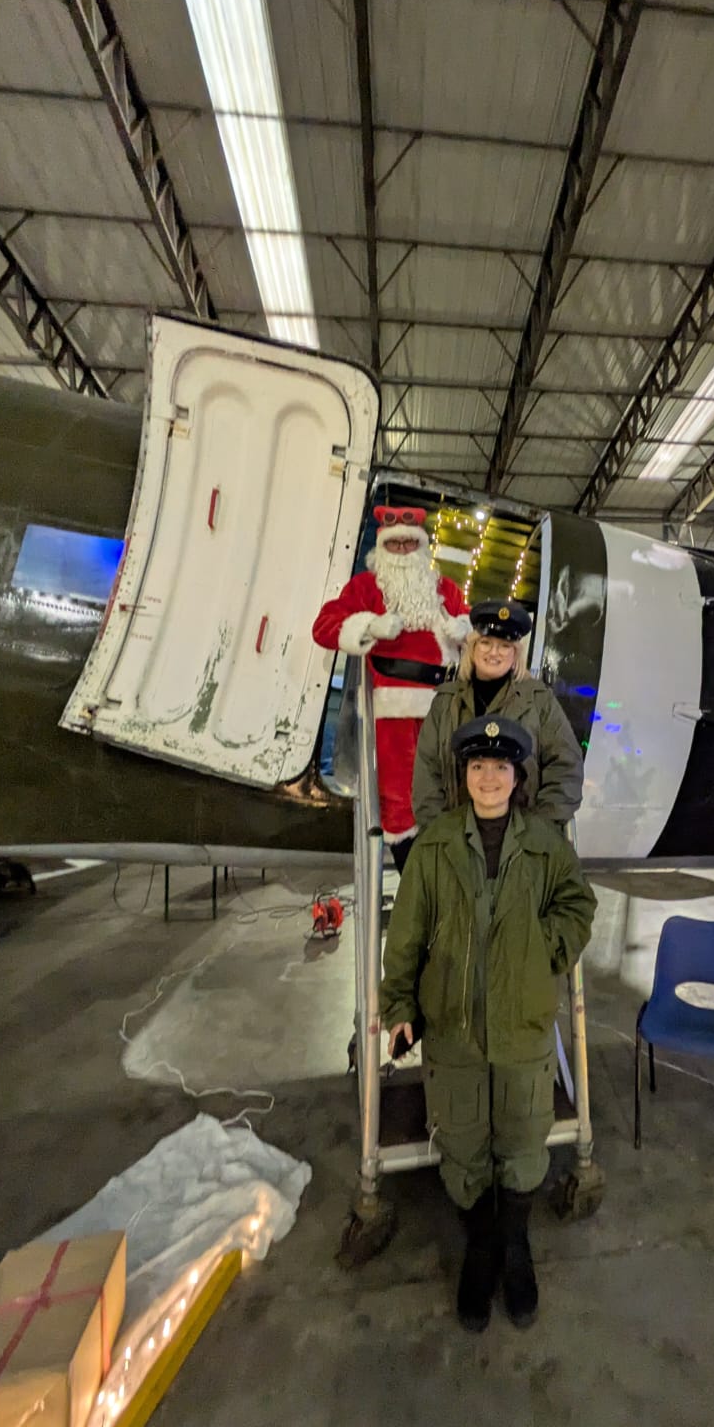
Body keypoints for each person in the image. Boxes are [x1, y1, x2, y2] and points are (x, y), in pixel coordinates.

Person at [382, 715, 596, 1332]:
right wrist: (399, 1007)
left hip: (523, 1029)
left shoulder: (545, 845)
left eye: (501, 767)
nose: (489, 778)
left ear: (517, 776)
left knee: (525, 1145)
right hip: (451, 1031)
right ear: (465, 775)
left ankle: (516, 1246)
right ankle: (480, 1247)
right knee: (465, 1147)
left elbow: (578, 906)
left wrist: (544, 950)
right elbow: (407, 935)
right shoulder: (438, 845)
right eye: (478, 767)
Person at [312, 506, 469, 872]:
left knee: (449, 789)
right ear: (382, 546)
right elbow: (323, 628)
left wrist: (464, 628)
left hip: (444, 708)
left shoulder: (445, 590)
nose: (401, 550)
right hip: (391, 709)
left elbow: (478, 630)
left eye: (408, 544)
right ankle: (414, 873)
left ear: (420, 548)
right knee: (399, 798)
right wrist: (370, 626)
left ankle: (448, 870)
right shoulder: (365, 588)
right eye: (394, 543)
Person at [411, 597, 584, 834]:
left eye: (505, 646)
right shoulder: (445, 702)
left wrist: (538, 830)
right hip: (455, 837)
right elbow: (427, 775)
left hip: (524, 838)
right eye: (486, 642)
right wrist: (442, 835)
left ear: (516, 653)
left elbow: (566, 769)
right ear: (473, 646)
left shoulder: (540, 701)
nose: (494, 653)